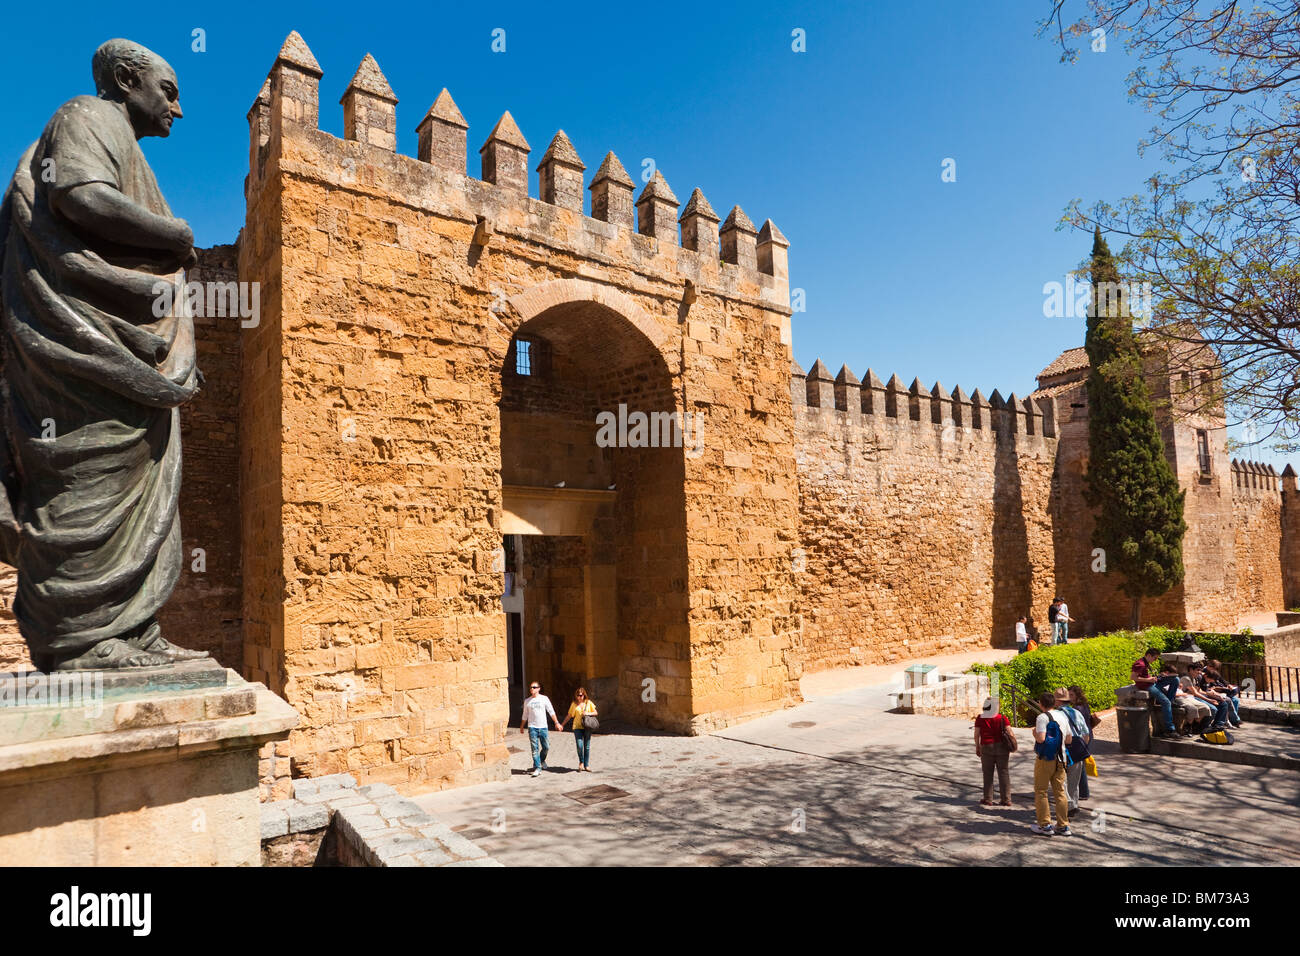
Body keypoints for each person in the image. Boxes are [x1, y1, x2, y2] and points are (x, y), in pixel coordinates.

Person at [0, 39, 207, 671]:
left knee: (147, 480)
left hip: (129, 357)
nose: (178, 107)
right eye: (168, 91)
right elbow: (79, 198)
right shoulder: (85, 116)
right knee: (86, 479)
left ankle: (133, 627)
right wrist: (178, 235)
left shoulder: (127, 143)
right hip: (85, 349)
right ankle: (82, 638)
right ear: (124, 80)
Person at [1031, 691, 1074, 836]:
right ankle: (1063, 825)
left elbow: (1041, 739)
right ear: (1054, 703)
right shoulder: (1062, 716)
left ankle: (1045, 825)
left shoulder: (1042, 717)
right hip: (1061, 759)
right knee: (1060, 792)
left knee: (1041, 791)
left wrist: (1034, 734)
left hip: (1045, 759)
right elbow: (1069, 740)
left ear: (1040, 704)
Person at [973, 697, 1013, 807]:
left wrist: (977, 747)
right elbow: (1010, 732)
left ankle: (988, 798)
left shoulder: (980, 718)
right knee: (1004, 772)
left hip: (986, 747)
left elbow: (976, 735)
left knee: (987, 773)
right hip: (1002, 747)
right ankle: (1006, 799)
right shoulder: (1003, 718)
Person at [519, 681, 562, 777]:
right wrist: (522, 726)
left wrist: (557, 723)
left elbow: (551, 711)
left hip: (543, 727)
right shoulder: (527, 701)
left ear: (539, 688)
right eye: (530, 687)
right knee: (535, 749)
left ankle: (541, 760)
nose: (532, 689)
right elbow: (525, 715)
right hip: (532, 727)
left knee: (546, 747)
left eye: (534, 687)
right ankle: (537, 767)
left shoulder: (544, 699)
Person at [1058, 687, 1091, 813]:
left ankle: (1069, 804)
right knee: (1074, 780)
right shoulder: (1077, 713)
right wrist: (1082, 747)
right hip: (1077, 747)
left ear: (1058, 702)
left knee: (1061, 780)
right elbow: (1085, 733)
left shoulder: (1057, 714)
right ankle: (1073, 805)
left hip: (1063, 748)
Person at [1133, 648, 1177, 738]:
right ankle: (1170, 729)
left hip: (1152, 683)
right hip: (1147, 686)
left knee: (1175, 679)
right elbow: (1133, 677)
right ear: (1149, 655)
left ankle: (1170, 700)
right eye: (1155, 658)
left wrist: (1158, 676)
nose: (1155, 660)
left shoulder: (1145, 662)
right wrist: (1149, 679)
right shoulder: (1140, 664)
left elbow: (1145, 675)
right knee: (1166, 702)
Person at [1068, 685, 1099, 800]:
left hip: (1082, 737)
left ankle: (1083, 792)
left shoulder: (1076, 709)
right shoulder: (1084, 705)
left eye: (1072, 695)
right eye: (1069, 695)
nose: (1070, 697)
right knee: (1081, 765)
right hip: (1088, 735)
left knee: (1079, 766)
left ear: (1077, 695)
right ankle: (1082, 791)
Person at [560, 687, 598, 771]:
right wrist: (562, 724)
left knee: (587, 746)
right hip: (577, 727)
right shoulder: (574, 704)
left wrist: (587, 713)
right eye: (578, 695)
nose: (579, 697)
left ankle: (586, 765)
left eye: (581, 695)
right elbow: (569, 715)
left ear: (584, 695)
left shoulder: (588, 703)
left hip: (587, 726)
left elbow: (595, 712)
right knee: (579, 745)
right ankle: (581, 762)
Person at [1198, 661, 1242, 727]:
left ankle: (1233, 720)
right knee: (1226, 701)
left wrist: (1228, 685)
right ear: (1210, 666)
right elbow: (1202, 689)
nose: (1215, 670)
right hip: (1209, 693)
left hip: (1215, 692)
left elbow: (1222, 680)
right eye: (1214, 668)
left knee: (1235, 700)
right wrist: (1215, 691)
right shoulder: (1203, 675)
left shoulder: (1212, 673)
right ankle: (1225, 722)